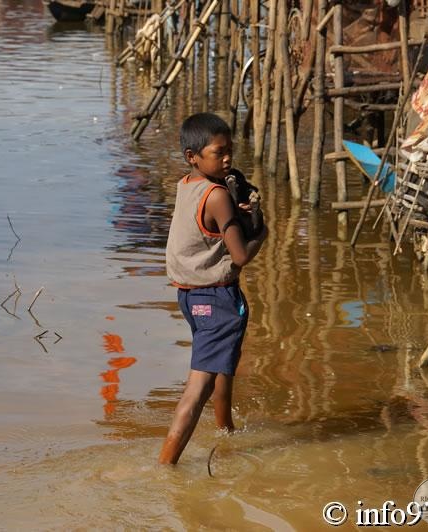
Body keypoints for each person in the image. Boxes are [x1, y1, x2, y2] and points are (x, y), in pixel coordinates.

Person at [158, 112, 268, 465]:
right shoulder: (218, 196)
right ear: (193, 156)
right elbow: (239, 256)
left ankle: (226, 430)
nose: (227, 159)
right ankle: (166, 464)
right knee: (199, 388)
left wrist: (233, 212)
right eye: (218, 153)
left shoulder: (186, 184)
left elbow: (204, 227)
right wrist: (261, 229)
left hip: (190, 296)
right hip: (218, 299)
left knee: (223, 364)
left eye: (229, 151)